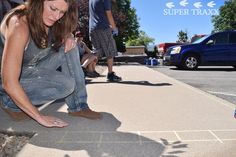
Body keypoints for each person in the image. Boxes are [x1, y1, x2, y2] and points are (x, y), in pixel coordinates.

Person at [0, 0, 101, 128]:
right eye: (53, 8)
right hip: (8, 80)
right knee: (66, 85)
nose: (56, 16)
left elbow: (65, 33)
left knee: (70, 47)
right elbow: (9, 82)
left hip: (32, 68)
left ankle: (78, 106)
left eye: (62, 12)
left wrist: (69, 36)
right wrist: (39, 116)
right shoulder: (19, 24)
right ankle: (10, 104)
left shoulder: (52, 20)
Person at [89, 0, 122, 82]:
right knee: (110, 51)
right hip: (103, 28)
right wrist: (114, 28)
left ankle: (84, 67)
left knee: (97, 51)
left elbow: (97, 15)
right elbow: (109, 14)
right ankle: (110, 74)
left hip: (92, 29)